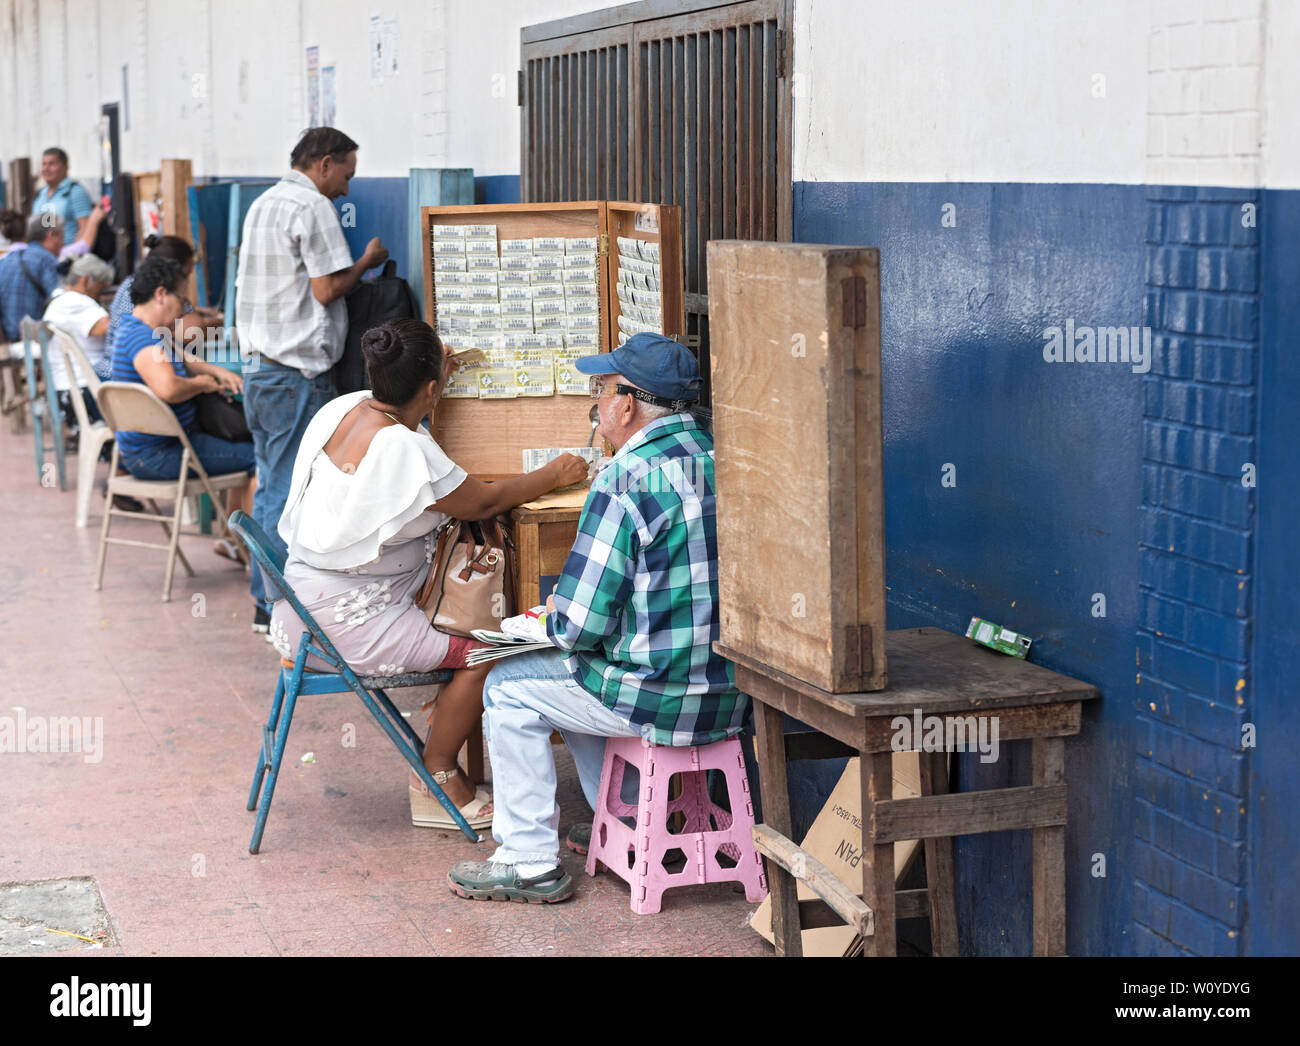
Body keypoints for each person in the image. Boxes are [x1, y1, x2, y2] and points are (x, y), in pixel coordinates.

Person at [447, 334, 748, 904]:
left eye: (601, 390)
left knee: (512, 686)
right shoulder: (726, 458)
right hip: (732, 694)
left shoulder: (625, 477)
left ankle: (528, 860)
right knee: (580, 670)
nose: (597, 402)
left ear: (628, 403)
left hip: (658, 697)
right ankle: (631, 817)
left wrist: (545, 623)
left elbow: (580, 625)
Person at [271, 319, 588, 828]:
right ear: (434, 388)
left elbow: (409, 461)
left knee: (461, 624)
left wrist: (433, 379)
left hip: (298, 606)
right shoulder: (406, 450)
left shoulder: (342, 409)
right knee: (490, 648)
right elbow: (482, 501)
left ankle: (445, 724)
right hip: (345, 627)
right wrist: (556, 473)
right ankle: (437, 768)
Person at [237, 127, 389, 636]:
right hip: (295, 374)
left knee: (270, 482)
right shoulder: (311, 207)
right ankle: (282, 608)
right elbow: (326, 290)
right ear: (324, 164)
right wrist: (366, 262)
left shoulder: (263, 203)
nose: (345, 188)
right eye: (345, 174)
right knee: (290, 492)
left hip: (260, 368)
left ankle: (265, 600)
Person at [109, 254, 255, 559]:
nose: (184, 309)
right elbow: (169, 387)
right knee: (260, 457)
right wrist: (203, 385)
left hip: (143, 451)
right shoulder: (143, 341)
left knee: (243, 445)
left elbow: (179, 358)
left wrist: (214, 371)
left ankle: (233, 542)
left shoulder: (135, 330)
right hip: (162, 455)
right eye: (182, 300)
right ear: (161, 294)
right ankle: (249, 553)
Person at [103, 235, 221, 380]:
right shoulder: (141, 332)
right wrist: (220, 321)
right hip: (125, 376)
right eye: (187, 274)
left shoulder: (133, 282)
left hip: (110, 370)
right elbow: (190, 332)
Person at [42, 253, 114, 434]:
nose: (100, 294)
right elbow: (109, 328)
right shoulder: (76, 302)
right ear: (85, 280)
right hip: (83, 391)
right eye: (100, 288)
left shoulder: (60, 299)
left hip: (70, 388)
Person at [0, 215, 63, 344]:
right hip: (34, 343)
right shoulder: (47, 260)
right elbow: (60, 302)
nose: (64, 242)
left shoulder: (7, 259)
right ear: (51, 235)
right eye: (62, 235)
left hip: (7, 342)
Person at [33, 148, 93, 246]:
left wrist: (72, 254)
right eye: (44, 164)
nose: (46, 168)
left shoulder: (74, 191)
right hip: (41, 255)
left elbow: (86, 228)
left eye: (52, 164)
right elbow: (45, 227)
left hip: (66, 255)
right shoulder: (41, 194)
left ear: (65, 167)